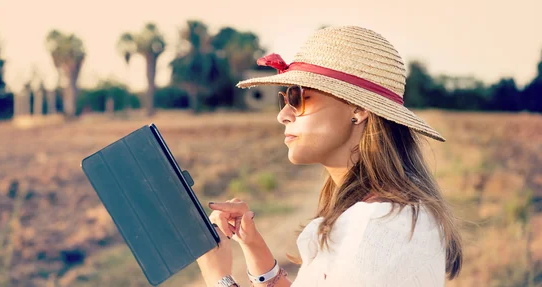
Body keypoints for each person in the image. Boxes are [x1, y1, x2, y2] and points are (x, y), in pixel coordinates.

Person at [196, 25, 463, 287]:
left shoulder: (379, 227)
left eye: (299, 98)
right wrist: (253, 246)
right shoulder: (376, 214)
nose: (283, 115)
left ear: (358, 110)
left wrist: (218, 277)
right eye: (284, 100)